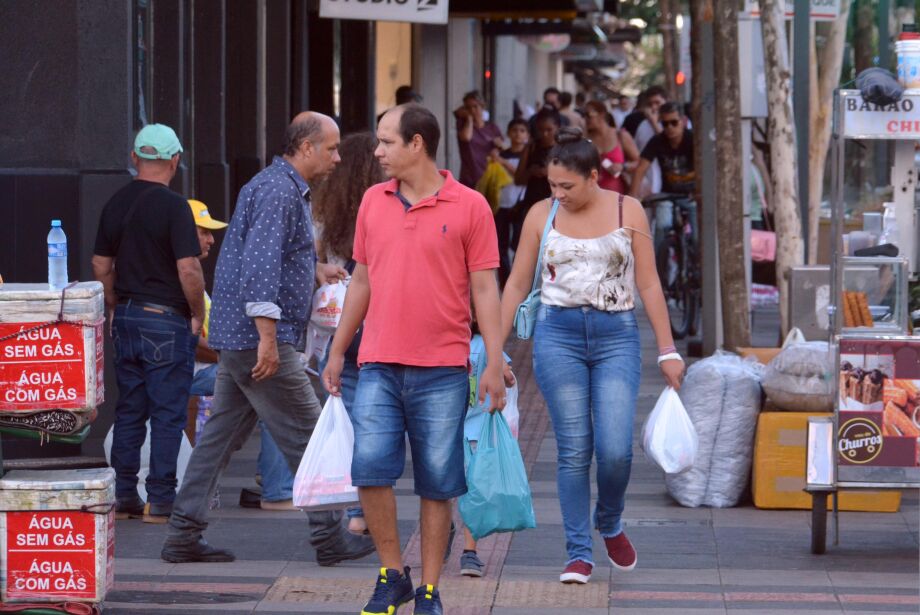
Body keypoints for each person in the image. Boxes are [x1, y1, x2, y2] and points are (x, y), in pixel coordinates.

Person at [161, 112, 376, 566]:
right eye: (331, 148)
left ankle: (183, 531)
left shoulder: (274, 186)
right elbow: (259, 268)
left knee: (219, 439)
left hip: (242, 339)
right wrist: (268, 338)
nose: (338, 158)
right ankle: (329, 535)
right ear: (306, 148)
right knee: (309, 434)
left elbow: (265, 256)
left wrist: (313, 269)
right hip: (257, 340)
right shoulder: (280, 191)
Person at [323, 103, 508, 615]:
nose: (377, 151)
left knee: (437, 482)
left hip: (443, 367)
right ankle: (392, 575)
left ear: (417, 144)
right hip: (377, 363)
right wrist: (337, 350)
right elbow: (361, 280)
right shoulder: (372, 200)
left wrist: (494, 361)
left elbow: (485, 289)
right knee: (369, 471)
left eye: (386, 141)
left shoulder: (470, 206)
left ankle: (429, 588)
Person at [500, 127, 686, 585]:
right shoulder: (541, 214)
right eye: (552, 185)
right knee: (574, 449)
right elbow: (517, 283)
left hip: (616, 336)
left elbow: (648, 283)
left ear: (593, 177)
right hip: (557, 336)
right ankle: (578, 554)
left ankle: (610, 519)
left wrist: (668, 350)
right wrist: (494, 350)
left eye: (567, 185)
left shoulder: (628, 209)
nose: (558, 194)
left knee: (615, 450)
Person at [92, 123, 205, 524]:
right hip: (166, 319)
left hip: (126, 316)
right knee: (168, 413)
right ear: (175, 161)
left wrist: (113, 304)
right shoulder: (175, 207)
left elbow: (100, 265)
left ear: (134, 158)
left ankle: (124, 495)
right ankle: (160, 499)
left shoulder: (115, 203)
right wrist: (197, 312)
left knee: (129, 410)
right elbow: (188, 268)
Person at [312, 131, 387, 535]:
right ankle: (364, 511)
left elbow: (318, 258)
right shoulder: (385, 208)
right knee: (373, 424)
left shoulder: (327, 212)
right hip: (379, 325)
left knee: (348, 420)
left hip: (340, 326)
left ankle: (353, 507)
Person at [629, 102, 696, 249]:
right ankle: (658, 260)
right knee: (661, 226)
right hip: (667, 194)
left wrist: (700, 192)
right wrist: (633, 198)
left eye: (674, 122)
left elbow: (704, 167)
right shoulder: (657, 141)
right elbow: (641, 169)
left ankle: (697, 261)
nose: (669, 127)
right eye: (665, 124)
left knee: (697, 236)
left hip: (692, 195)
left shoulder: (693, 140)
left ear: (683, 121)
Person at [512, 108, 560, 252]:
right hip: (531, 204)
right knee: (527, 248)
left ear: (558, 128)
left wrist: (549, 173)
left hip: (556, 207)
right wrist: (530, 172)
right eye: (541, 130)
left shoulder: (563, 149)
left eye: (549, 130)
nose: (545, 134)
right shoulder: (531, 147)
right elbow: (518, 179)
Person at [490, 118, 529, 286]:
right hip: (502, 205)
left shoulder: (528, 156)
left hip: (521, 206)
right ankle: (505, 282)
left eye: (522, 131)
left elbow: (521, 178)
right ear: (508, 133)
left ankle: (518, 280)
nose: (518, 134)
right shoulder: (501, 155)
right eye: (514, 130)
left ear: (527, 135)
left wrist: (502, 162)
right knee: (501, 246)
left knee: (519, 245)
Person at [584, 100, 639, 195]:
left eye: (588, 115)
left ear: (602, 115)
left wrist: (623, 167)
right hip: (591, 197)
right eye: (584, 115)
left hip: (617, 197)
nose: (585, 119)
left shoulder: (620, 135)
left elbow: (639, 162)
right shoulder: (585, 140)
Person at [454, 90, 504, 188]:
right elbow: (466, 137)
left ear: (482, 106)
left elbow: (502, 147)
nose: (472, 110)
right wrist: (469, 119)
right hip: (469, 177)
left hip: (488, 177)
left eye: (475, 106)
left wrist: (497, 149)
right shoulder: (462, 124)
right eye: (468, 108)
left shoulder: (492, 128)